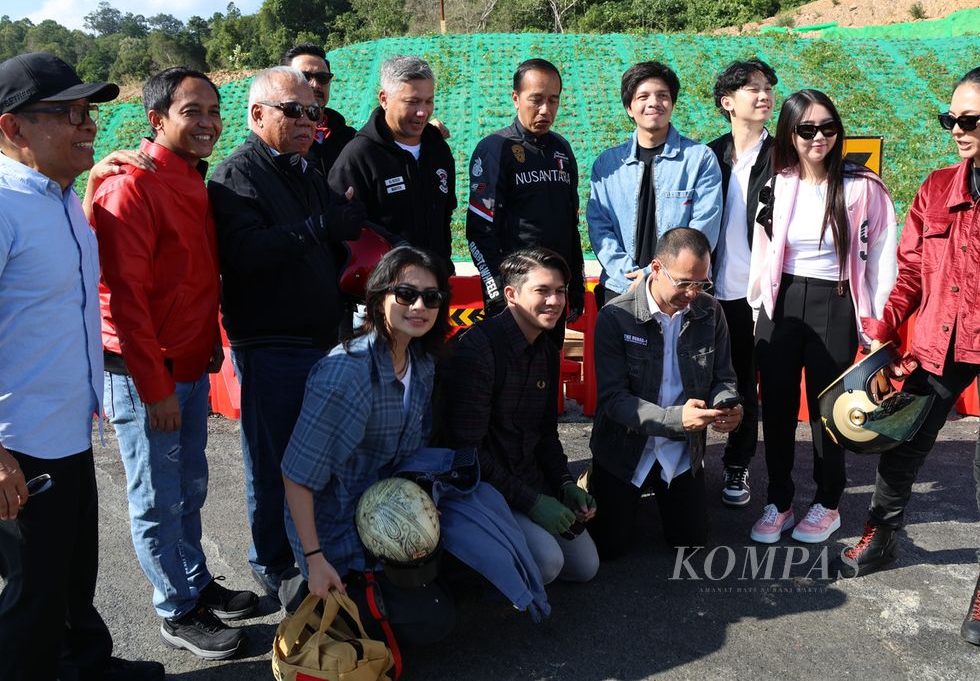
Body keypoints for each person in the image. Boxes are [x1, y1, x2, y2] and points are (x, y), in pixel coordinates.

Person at [837, 64, 980, 648]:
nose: (957, 129)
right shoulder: (938, 186)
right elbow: (912, 270)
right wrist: (885, 319)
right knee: (900, 444)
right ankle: (881, 533)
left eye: (970, 119)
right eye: (949, 119)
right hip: (937, 342)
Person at [0, 52, 163, 680]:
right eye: (66, 113)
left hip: (69, 429)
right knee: (29, 594)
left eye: (88, 111)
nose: (87, 124)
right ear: (12, 128)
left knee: (72, 570)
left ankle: (86, 665)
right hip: (20, 444)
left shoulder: (62, 197)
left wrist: (99, 176)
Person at [91, 67, 258, 661]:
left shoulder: (188, 176)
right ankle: (176, 609)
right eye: (193, 111)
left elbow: (188, 274)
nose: (208, 122)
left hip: (188, 363)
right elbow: (121, 298)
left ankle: (195, 582)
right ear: (157, 119)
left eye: (214, 110)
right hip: (145, 375)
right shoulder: (129, 186)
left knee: (188, 485)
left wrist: (208, 344)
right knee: (157, 498)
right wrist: (154, 383)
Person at [208, 66, 365, 604]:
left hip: (320, 337)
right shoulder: (236, 176)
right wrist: (322, 226)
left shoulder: (304, 169)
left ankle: (308, 552)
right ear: (258, 115)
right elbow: (247, 255)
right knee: (273, 461)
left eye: (313, 112)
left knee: (316, 458)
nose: (306, 120)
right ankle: (273, 563)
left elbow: (326, 239)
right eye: (293, 110)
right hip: (271, 343)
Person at [282, 246, 456, 646]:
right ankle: (301, 588)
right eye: (406, 294)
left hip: (384, 517)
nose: (419, 306)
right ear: (378, 299)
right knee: (432, 621)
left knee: (459, 586)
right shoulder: (344, 373)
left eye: (431, 297)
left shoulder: (423, 363)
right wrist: (314, 559)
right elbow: (297, 477)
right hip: (335, 528)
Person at [747, 89, 897, 545]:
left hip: (835, 302)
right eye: (807, 129)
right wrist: (760, 306)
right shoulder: (777, 183)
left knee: (828, 412)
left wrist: (875, 325)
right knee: (774, 408)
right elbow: (762, 251)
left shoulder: (863, 187)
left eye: (828, 127)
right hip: (782, 303)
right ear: (790, 134)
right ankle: (779, 500)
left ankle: (828, 503)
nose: (819, 137)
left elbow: (882, 258)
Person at [440, 248, 599, 584]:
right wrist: (532, 502)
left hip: (528, 479)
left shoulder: (545, 349)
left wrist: (565, 484)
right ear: (510, 294)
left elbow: (545, 434)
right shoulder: (477, 350)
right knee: (546, 564)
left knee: (585, 567)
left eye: (560, 291)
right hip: (482, 489)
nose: (555, 301)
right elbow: (466, 452)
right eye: (542, 291)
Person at [588, 228, 742, 559]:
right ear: (656, 269)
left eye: (702, 284)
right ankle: (595, 481)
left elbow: (724, 377)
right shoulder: (616, 316)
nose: (693, 293)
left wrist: (727, 407)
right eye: (684, 282)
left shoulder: (711, 312)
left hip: (682, 453)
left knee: (691, 542)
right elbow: (613, 400)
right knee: (609, 549)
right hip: (624, 451)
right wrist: (675, 419)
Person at [467, 58, 585, 343]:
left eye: (553, 100)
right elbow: (479, 231)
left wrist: (576, 286)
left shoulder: (561, 148)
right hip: (515, 297)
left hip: (553, 296)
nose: (545, 109)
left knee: (547, 376)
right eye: (536, 100)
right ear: (516, 98)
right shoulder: (494, 148)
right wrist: (496, 290)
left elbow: (571, 224)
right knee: (509, 379)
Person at [588, 61, 722, 308]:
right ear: (630, 107)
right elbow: (599, 228)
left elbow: (703, 229)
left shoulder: (699, 159)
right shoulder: (607, 165)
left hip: (682, 290)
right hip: (621, 288)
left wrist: (655, 273)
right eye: (643, 96)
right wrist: (630, 275)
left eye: (662, 96)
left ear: (672, 103)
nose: (654, 103)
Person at [706, 59, 778, 508]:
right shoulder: (707, 156)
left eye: (768, 86)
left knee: (748, 386)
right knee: (707, 379)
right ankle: (688, 461)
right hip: (712, 292)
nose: (764, 93)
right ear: (727, 102)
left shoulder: (786, 155)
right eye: (752, 87)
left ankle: (738, 463)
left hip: (762, 295)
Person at [330, 55, 456, 273]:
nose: (422, 112)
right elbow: (342, 231)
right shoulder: (359, 156)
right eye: (412, 102)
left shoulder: (439, 150)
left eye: (429, 101)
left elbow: (444, 217)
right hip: (385, 291)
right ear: (384, 99)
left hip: (435, 286)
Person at [282, 43, 356, 176]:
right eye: (304, 77)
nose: (315, 85)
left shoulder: (351, 140)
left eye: (322, 78)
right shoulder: (279, 143)